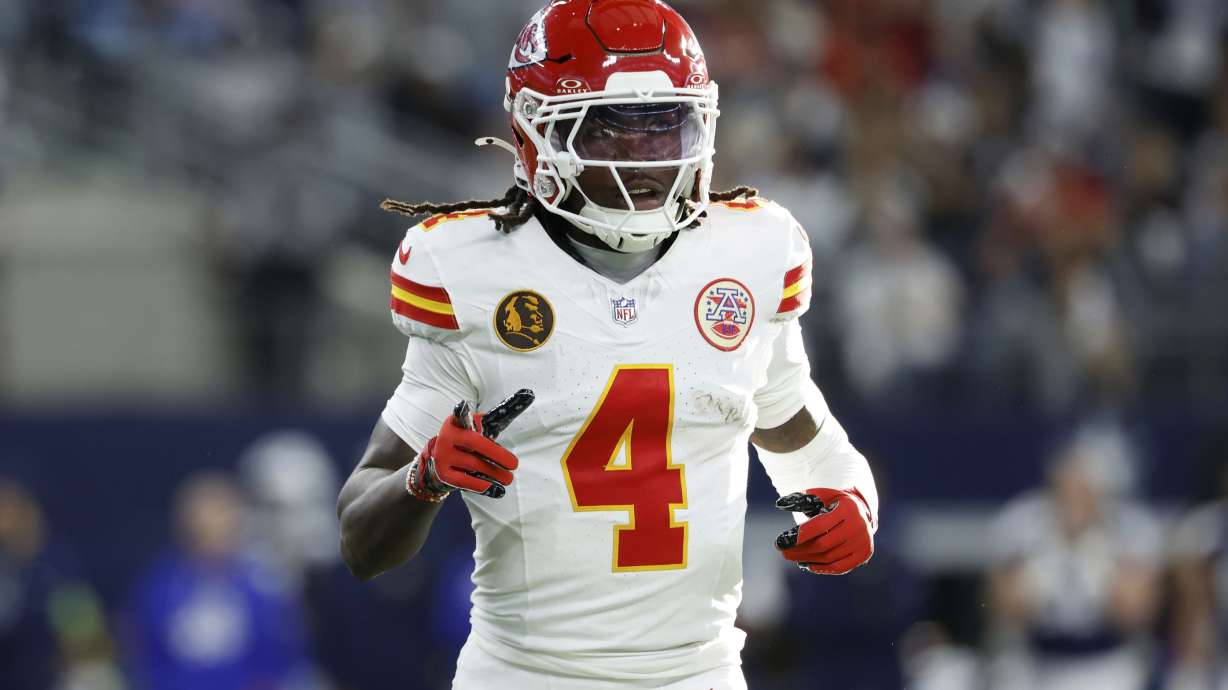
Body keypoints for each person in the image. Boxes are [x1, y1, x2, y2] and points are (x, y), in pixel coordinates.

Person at [336, 1, 880, 688]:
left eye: (666, 128)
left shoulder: (748, 253)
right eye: (612, 133)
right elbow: (360, 540)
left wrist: (855, 500)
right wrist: (424, 480)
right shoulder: (473, 269)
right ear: (534, 132)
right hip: (527, 675)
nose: (648, 157)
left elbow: (804, 439)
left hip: (700, 673)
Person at [985, 428, 1161, 690]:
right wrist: (1046, 558)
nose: (1073, 495)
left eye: (1083, 486)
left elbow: (1134, 613)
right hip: (1037, 663)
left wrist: (1094, 554)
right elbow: (1003, 608)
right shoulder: (1022, 522)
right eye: (1067, 482)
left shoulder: (1130, 527)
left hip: (1106, 664)